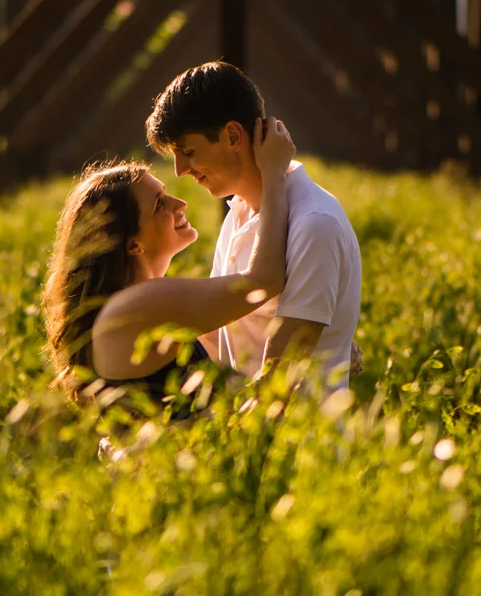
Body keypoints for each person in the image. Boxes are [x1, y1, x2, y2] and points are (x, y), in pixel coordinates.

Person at [41, 118, 300, 407]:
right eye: (159, 204)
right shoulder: (141, 304)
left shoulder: (133, 306)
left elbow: (231, 343)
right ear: (133, 244)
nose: (180, 204)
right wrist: (274, 173)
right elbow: (264, 281)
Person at [145, 62, 362, 391]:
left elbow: (282, 375)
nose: (180, 170)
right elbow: (218, 341)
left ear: (233, 135)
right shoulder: (238, 214)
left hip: (298, 425)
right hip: (246, 418)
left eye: (188, 151)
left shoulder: (315, 224)